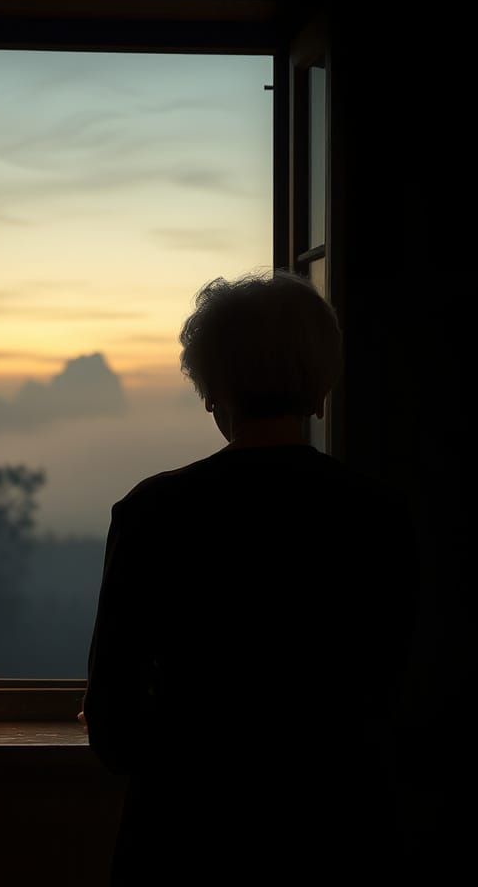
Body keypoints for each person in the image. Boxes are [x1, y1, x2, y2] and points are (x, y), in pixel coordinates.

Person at [82, 271, 418, 884]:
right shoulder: (381, 516)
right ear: (320, 392)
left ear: (212, 391)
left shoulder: (152, 513)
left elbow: (113, 726)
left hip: (186, 839)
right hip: (347, 838)